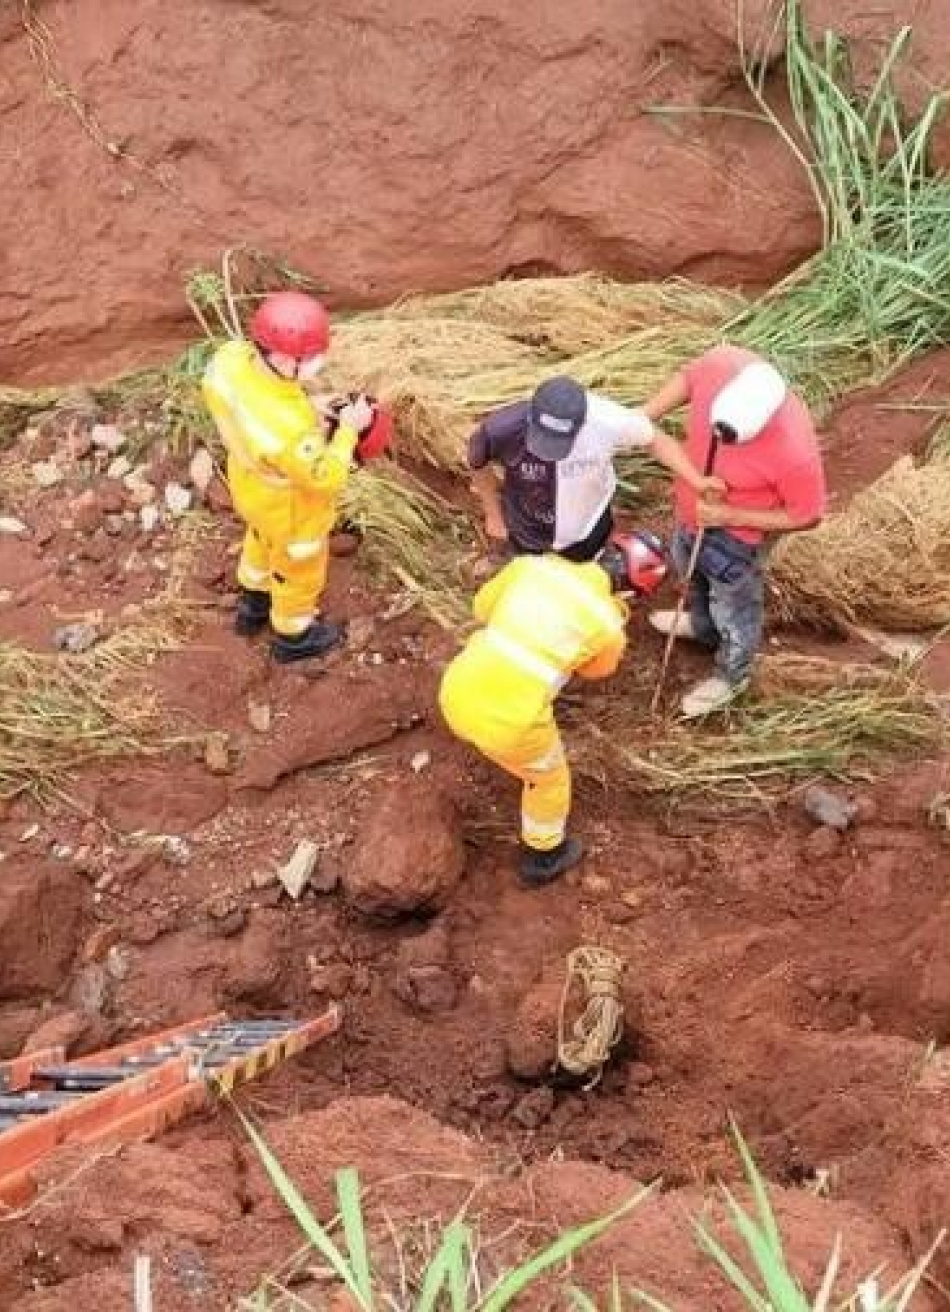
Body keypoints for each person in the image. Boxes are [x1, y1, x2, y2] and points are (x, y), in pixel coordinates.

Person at [439, 531, 668, 888]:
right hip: (510, 726)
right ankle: (543, 856)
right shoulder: (607, 626)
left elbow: (481, 607)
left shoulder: (534, 567)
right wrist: (615, 616)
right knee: (550, 780)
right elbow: (597, 671)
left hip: (456, 691)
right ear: (629, 592)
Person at [202, 291, 390, 664]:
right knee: (299, 570)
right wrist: (347, 430)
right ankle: (294, 635)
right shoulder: (290, 430)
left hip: (251, 487)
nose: (317, 364)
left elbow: (260, 405)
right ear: (283, 358)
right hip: (291, 511)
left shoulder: (229, 361)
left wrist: (307, 407)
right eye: (310, 358)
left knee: (260, 541)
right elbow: (325, 477)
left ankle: (253, 604)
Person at [642, 345, 827, 717]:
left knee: (734, 603)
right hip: (690, 512)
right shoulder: (723, 365)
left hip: (739, 538)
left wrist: (729, 514)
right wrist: (643, 417)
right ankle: (702, 626)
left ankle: (732, 674)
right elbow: (688, 379)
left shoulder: (795, 453)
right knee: (689, 569)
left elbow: (806, 516)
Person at [467, 375, 723, 561]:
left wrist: (696, 479)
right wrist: (493, 514)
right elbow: (478, 463)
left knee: (585, 571)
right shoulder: (501, 429)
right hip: (527, 528)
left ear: (582, 423)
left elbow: (655, 440)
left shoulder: (607, 420)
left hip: (587, 527)